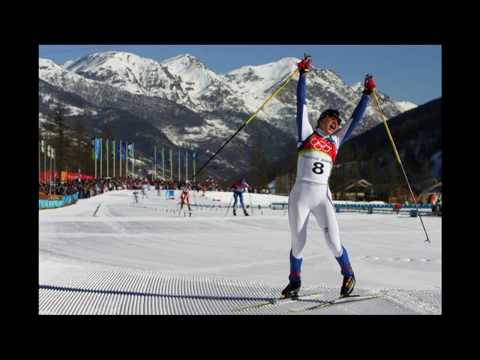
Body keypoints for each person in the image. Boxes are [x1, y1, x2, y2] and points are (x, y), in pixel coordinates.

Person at [282, 55, 376, 299]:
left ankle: (348, 274)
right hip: (300, 196)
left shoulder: (336, 141)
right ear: (321, 119)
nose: (335, 124)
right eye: (331, 120)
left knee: (334, 242)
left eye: (337, 122)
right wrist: (302, 75)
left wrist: (366, 94)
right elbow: (300, 103)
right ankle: (295, 282)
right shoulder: (306, 133)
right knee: (298, 243)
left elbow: (355, 120)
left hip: (323, 197)